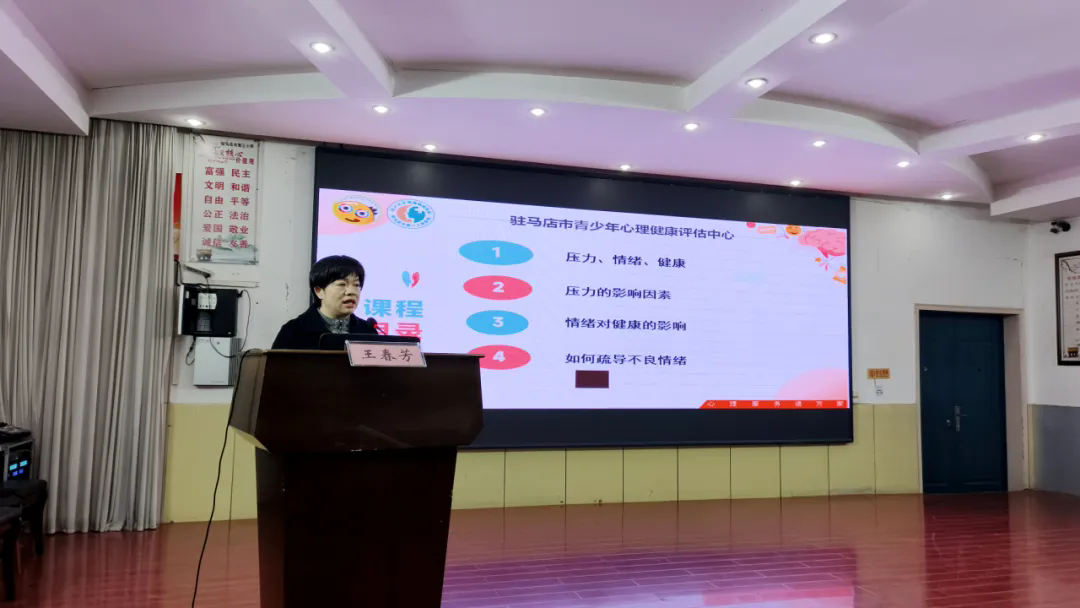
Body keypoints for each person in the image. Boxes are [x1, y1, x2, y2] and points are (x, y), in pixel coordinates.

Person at [272, 255, 377, 349]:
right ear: (319, 291)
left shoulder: (368, 331)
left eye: (356, 285)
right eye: (342, 284)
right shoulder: (294, 331)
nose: (352, 292)